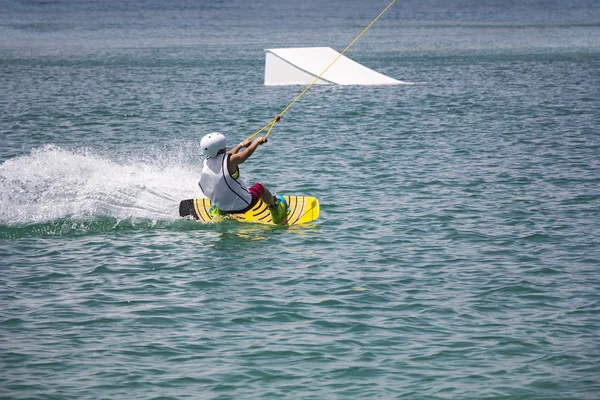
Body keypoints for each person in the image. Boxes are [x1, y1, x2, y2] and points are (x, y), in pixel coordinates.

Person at [198, 132, 289, 223]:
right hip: (243, 205)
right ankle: (276, 211)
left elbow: (227, 155)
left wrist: (241, 145)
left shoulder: (206, 163)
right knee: (260, 186)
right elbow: (246, 153)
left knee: (218, 185)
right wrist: (256, 142)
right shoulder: (230, 160)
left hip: (222, 206)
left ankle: (219, 211)